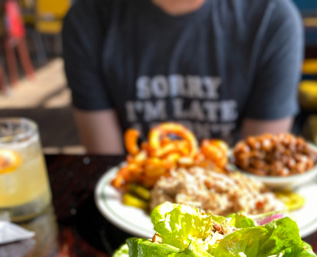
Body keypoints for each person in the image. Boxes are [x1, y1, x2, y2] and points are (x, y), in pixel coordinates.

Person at [62, 0, 303, 154]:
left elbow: (258, 162)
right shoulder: (88, 18)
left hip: (232, 201)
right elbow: (106, 160)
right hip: (131, 200)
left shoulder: (272, 18)